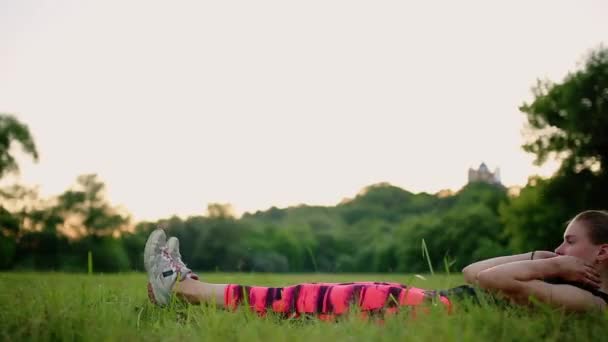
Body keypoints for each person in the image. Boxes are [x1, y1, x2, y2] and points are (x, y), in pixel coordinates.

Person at [144, 210, 608, 318]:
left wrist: (553, 269)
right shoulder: (566, 278)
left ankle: (181, 288)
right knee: (307, 296)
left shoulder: (592, 303)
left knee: (306, 299)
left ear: (602, 252)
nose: (560, 250)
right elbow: (472, 274)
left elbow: (486, 279)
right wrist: (541, 258)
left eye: (569, 243)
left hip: (423, 313)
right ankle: (184, 290)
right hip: (424, 304)